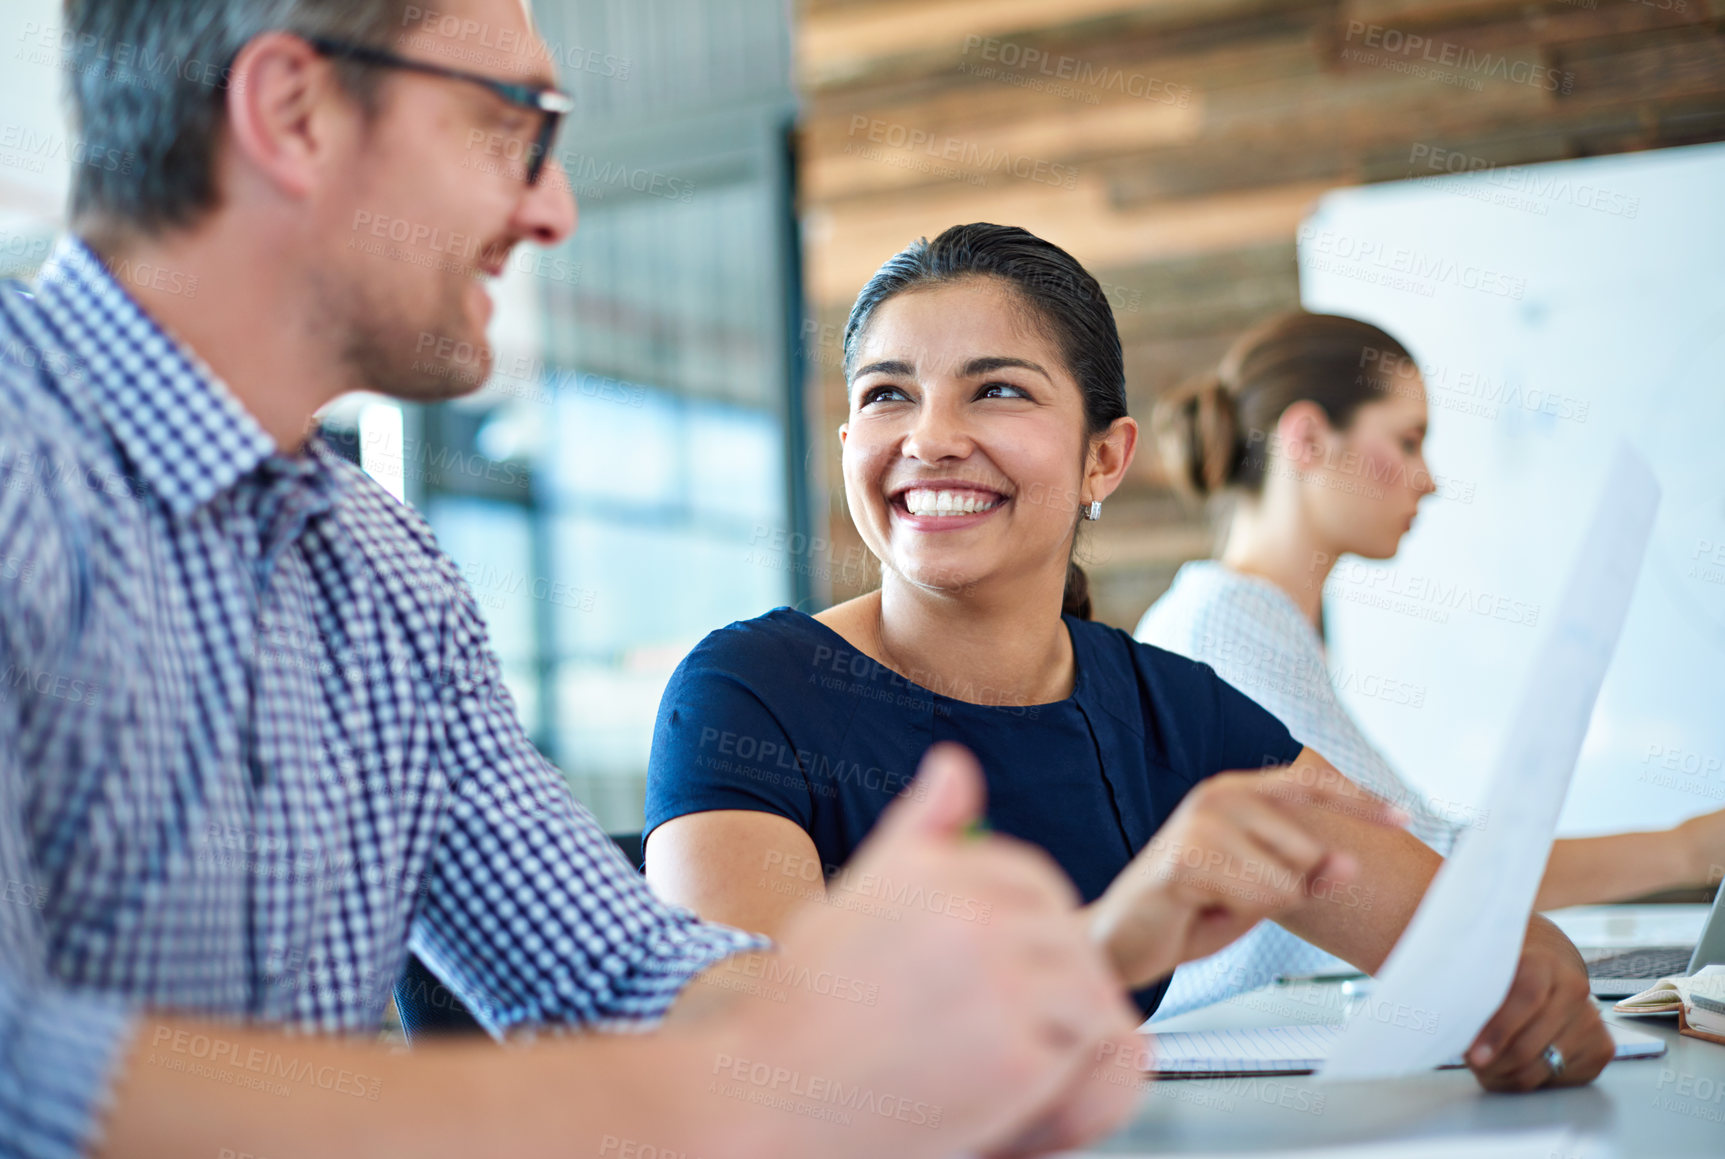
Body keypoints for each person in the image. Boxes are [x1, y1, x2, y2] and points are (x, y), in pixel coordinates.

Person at [0, 3, 1155, 1157]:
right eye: (511, 129)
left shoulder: (381, 574)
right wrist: (727, 1087)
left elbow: (612, 969)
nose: (553, 209)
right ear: (295, 114)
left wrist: (889, 1036)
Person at [644, 222, 1614, 1094]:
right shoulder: (746, 693)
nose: (931, 437)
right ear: (853, 441)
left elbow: (1467, 941)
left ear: (1104, 459)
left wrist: (1536, 978)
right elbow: (748, 1070)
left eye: (998, 390)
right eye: (889, 394)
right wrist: (1104, 947)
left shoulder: (1171, 710)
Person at [1136, 310, 1725, 1017]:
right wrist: (1692, 847)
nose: (1428, 479)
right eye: (1407, 440)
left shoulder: (1264, 623)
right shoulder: (1226, 623)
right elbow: (1424, 861)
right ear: (1305, 438)